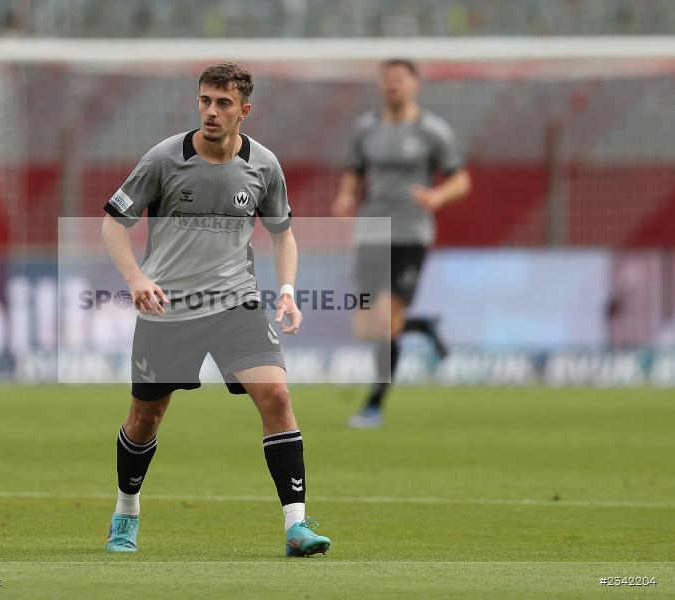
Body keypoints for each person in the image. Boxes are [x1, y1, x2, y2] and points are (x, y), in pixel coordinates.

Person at [100, 63, 330, 557]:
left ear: (244, 110)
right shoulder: (165, 158)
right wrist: (137, 279)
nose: (211, 110)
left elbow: (283, 233)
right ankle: (126, 510)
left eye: (223, 103)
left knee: (277, 396)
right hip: (169, 308)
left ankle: (297, 525)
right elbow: (113, 224)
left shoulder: (264, 165)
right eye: (205, 100)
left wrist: (286, 289)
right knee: (145, 418)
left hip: (235, 303)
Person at [332, 59, 472, 429]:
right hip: (371, 231)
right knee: (366, 326)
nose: (393, 85)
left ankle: (373, 404)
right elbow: (353, 174)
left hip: (411, 233)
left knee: (388, 318)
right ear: (381, 85)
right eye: (388, 79)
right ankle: (423, 327)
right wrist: (346, 198)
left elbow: (461, 180)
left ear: (415, 85)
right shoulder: (365, 129)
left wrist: (438, 197)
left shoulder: (432, 131)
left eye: (400, 79)